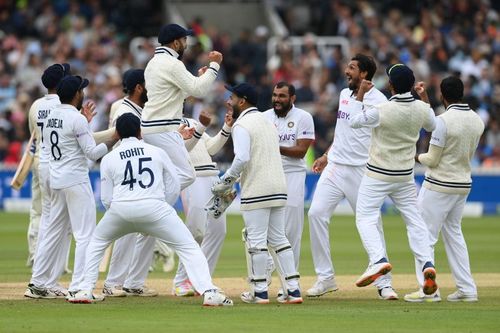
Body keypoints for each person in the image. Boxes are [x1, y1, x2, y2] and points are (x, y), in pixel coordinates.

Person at [69, 113, 233, 306]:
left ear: (118, 134)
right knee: (189, 247)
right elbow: (174, 181)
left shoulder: (109, 158)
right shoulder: (157, 152)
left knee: (96, 243)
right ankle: (209, 291)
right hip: (155, 208)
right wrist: (164, 204)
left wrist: (118, 213)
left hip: (120, 209)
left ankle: (85, 289)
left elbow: (106, 198)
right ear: (140, 131)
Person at [306, 54, 397, 300]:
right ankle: (325, 278)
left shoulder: (379, 100)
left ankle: (385, 283)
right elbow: (343, 130)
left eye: (352, 68)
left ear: (364, 74)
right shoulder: (345, 95)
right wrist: (327, 155)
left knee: (372, 223)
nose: (347, 71)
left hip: (362, 170)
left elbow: (361, 124)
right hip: (336, 167)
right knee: (315, 214)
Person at [350, 64, 438, 296]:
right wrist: (424, 97)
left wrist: (360, 94)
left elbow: (354, 121)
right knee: (414, 220)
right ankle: (428, 263)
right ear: (411, 85)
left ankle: (378, 259)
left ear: (390, 85)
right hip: (405, 174)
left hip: (378, 173)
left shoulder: (382, 109)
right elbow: (432, 125)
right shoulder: (421, 108)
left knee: (365, 217)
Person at [26, 75, 114, 299]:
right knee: (85, 235)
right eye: (81, 90)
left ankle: (38, 282)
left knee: (53, 231)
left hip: (56, 180)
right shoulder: (77, 119)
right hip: (75, 180)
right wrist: (114, 139)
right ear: (76, 95)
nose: (83, 93)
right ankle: (79, 287)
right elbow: (92, 153)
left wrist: (84, 122)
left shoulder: (50, 116)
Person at [213, 83, 302, 304]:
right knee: (280, 239)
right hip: (279, 187)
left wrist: (225, 181)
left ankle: (259, 291)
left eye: (232, 98)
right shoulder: (267, 121)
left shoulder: (242, 124)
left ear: (242, 101)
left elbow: (242, 158)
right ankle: (293, 290)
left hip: (258, 189)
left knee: (257, 241)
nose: (228, 101)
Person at [405, 76, 484, 303]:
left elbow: (431, 158)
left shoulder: (443, 121)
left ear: (443, 94)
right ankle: (467, 289)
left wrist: (414, 156)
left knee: (423, 236)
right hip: (462, 184)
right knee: (454, 235)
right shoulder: (477, 120)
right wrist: (425, 101)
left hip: (439, 184)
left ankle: (427, 290)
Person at [141, 23, 223, 191]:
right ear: (176, 43)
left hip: (151, 127)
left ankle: (153, 204)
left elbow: (174, 94)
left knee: (168, 172)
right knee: (186, 174)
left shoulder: (153, 63)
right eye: (184, 39)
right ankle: (153, 201)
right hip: (162, 128)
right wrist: (215, 66)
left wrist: (198, 79)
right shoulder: (172, 64)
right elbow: (198, 90)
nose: (186, 44)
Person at [102, 69, 158, 297]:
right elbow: (117, 137)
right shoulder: (124, 109)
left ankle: (134, 282)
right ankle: (113, 282)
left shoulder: (130, 107)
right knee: (126, 230)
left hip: (136, 173)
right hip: (125, 173)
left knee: (148, 228)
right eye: (148, 84)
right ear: (138, 87)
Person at [24, 64, 73, 298]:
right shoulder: (63, 106)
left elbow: (34, 135)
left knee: (48, 221)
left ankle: (42, 275)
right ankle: (47, 279)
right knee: (61, 226)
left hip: (41, 163)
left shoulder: (36, 105)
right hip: (59, 165)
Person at [173, 108, 234, 296]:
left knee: (218, 230)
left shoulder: (190, 120)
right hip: (192, 177)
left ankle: (202, 280)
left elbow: (211, 148)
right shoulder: (160, 123)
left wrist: (227, 127)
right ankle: (181, 280)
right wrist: (201, 127)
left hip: (211, 177)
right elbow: (180, 151)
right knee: (196, 231)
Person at [262, 81, 314, 278]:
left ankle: (291, 281)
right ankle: (262, 278)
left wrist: (274, 146)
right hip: (268, 173)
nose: (277, 99)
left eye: (282, 96)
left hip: (293, 174)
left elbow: (301, 151)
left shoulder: (304, 117)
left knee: (291, 231)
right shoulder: (263, 117)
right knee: (262, 229)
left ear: (292, 98)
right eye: (275, 95)